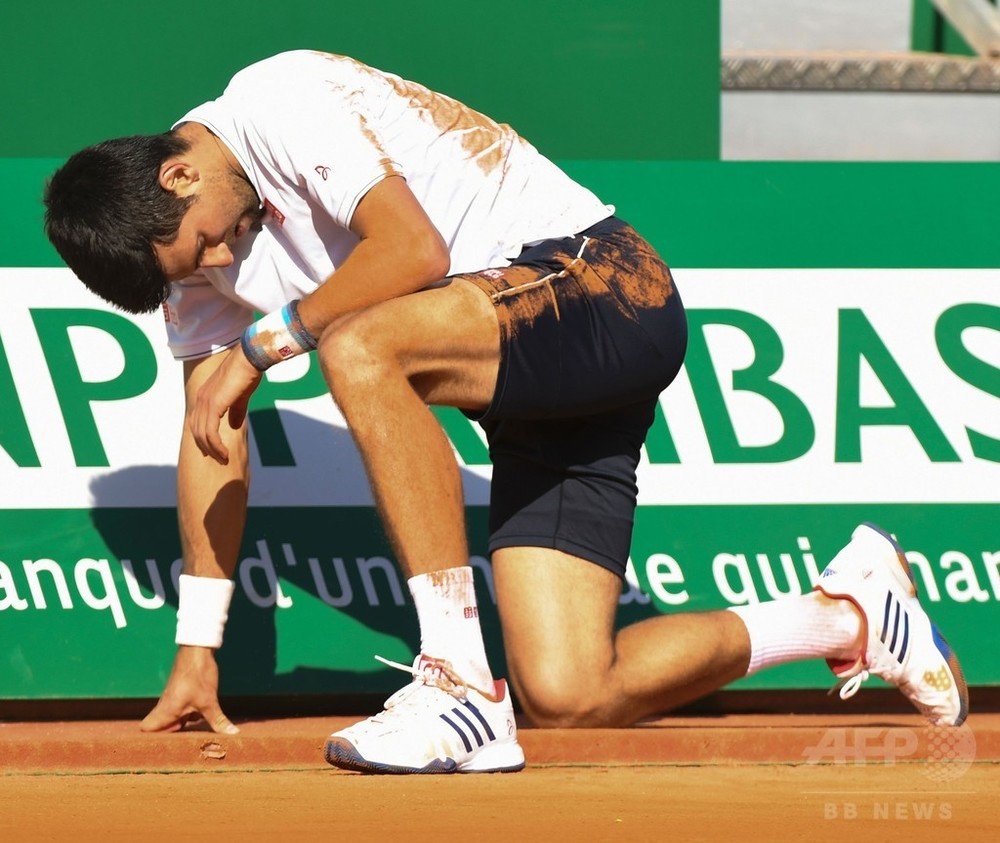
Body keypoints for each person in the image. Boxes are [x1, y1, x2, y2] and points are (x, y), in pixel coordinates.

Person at [43, 50, 968, 775]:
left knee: (359, 346)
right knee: (570, 689)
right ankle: (850, 613)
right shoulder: (197, 261)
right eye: (192, 272)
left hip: (605, 287)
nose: (213, 266)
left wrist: (261, 345)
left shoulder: (274, 98)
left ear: (176, 176)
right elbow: (213, 433)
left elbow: (409, 251)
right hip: (525, 377)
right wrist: (198, 645)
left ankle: (455, 683)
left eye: (203, 243)